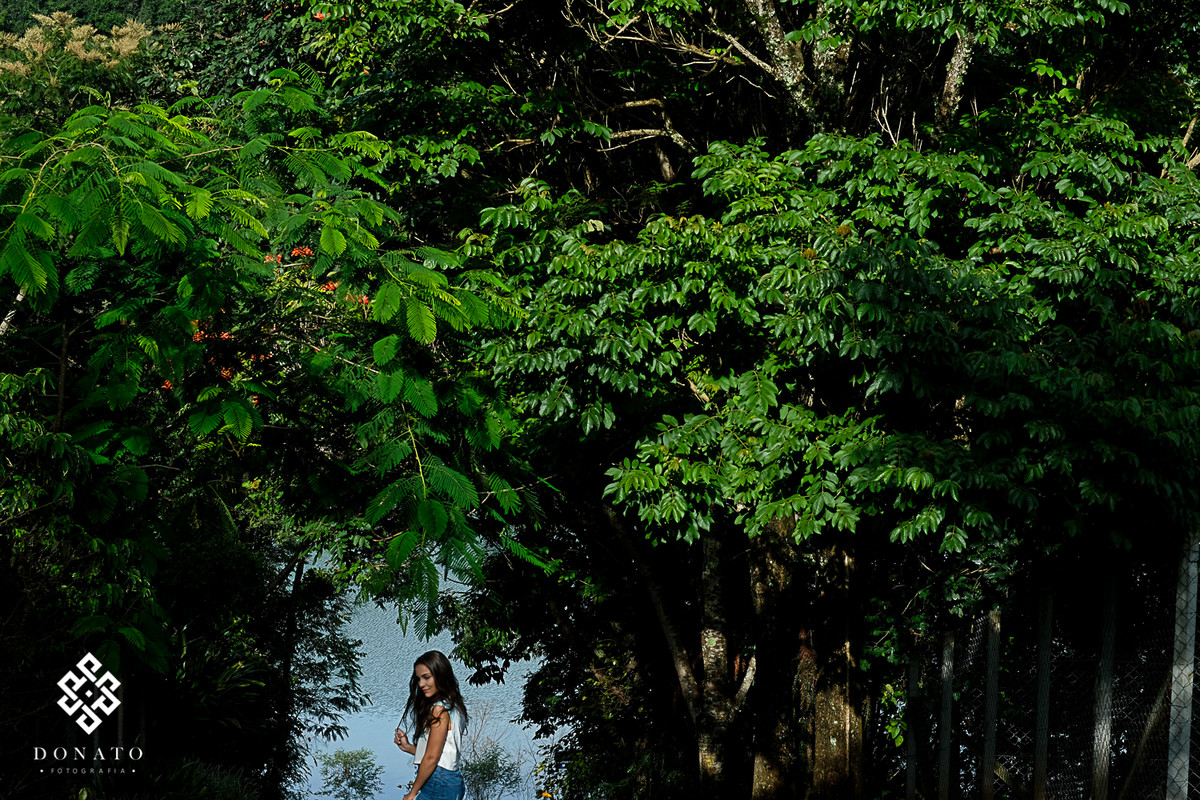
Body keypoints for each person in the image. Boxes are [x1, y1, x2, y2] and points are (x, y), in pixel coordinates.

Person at [393, 650, 469, 800]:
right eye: (419, 679)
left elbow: (432, 758)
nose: (421, 684)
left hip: (438, 782)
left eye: (426, 677)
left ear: (441, 675)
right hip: (451, 780)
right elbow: (444, 754)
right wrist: (409, 747)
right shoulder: (454, 705)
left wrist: (412, 793)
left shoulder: (439, 710)